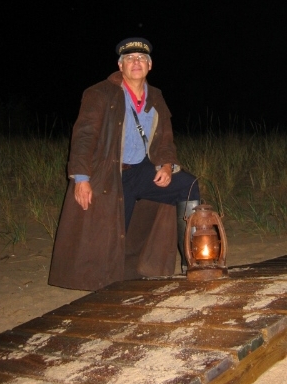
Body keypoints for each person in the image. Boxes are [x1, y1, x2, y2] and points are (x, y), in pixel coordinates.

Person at [48, 37, 200, 291]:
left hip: (141, 170)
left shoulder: (157, 96)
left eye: (141, 58)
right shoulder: (99, 93)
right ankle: (104, 285)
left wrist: (165, 165)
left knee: (187, 185)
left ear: (150, 66)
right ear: (121, 66)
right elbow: (84, 136)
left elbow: (164, 139)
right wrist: (81, 179)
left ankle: (193, 262)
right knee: (110, 234)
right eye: (129, 59)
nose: (136, 62)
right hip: (108, 173)